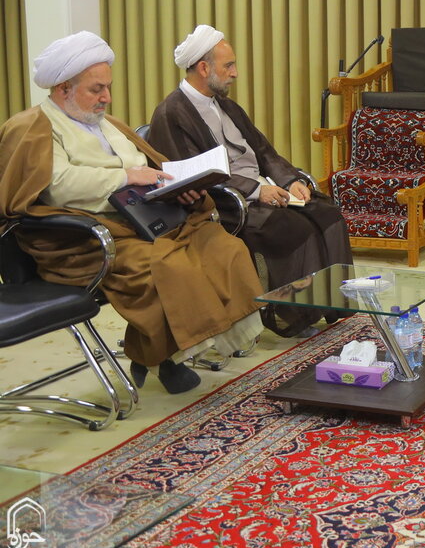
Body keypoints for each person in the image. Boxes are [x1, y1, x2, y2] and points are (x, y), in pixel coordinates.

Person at [0, 31, 263, 393]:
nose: (106, 98)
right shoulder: (32, 127)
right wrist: (126, 177)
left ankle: (159, 352)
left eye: (107, 87)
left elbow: (150, 168)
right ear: (63, 89)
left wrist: (178, 188)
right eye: (97, 89)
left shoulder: (106, 123)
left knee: (223, 247)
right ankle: (163, 357)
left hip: (145, 220)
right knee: (167, 266)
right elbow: (59, 185)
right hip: (81, 238)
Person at [147, 25, 353, 337]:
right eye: (228, 66)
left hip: (261, 190)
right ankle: (297, 317)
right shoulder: (171, 113)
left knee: (328, 214)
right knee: (294, 229)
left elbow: (264, 151)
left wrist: (290, 181)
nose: (235, 73)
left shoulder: (226, 105)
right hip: (226, 203)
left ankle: (333, 306)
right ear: (203, 68)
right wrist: (257, 190)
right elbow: (195, 176)